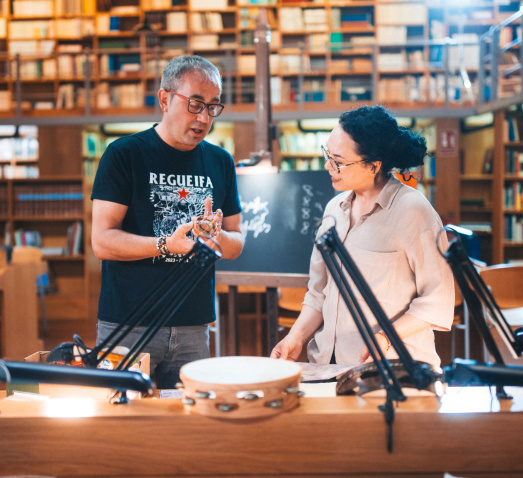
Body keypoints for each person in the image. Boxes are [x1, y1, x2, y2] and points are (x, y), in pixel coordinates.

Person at [90, 55, 244, 389]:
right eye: (195, 104)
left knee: (190, 427)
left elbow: (236, 241)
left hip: (193, 323)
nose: (204, 117)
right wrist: (164, 245)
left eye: (213, 107)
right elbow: (101, 241)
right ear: (164, 99)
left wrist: (216, 239)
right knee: (122, 424)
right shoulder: (124, 154)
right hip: (129, 322)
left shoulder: (220, 162)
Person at [270, 105, 454, 371]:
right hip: (326, 363)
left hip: (389, 368)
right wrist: (295, 338)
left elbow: (438, 299)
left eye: (338, 161)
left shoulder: (414, 211)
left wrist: (385, 337)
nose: (327, 166)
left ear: (373, 165)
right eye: (327, 155)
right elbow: (319, 292)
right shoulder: (334, 209)